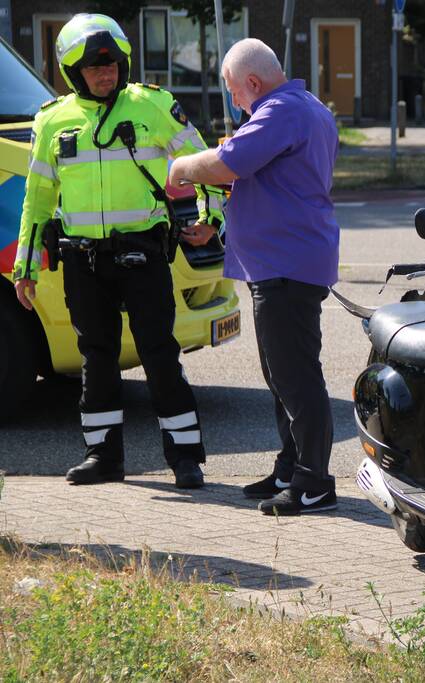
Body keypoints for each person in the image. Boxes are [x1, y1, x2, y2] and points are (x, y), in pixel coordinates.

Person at [13, 13, 225, 489]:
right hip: (83, 260)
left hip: (144, 253)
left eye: (111, 66)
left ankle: (186, 458)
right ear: (74, 73)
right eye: (93, 69)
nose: (105, 74)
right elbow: (38, 200)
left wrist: (211, 221)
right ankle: (103, 456)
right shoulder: (52, 121)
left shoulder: (154, 106)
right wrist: (24, 267)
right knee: (97, 356)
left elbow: (207, 164)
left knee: (159, 353)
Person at [170, 38, 340, 516]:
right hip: (285, 261)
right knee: (280, 371)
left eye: (232, 90)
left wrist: (181, 167)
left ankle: (315, 482)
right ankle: (291, 467)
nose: (233, 102)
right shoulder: (304, 107)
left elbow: (228, 163)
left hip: (288, 264)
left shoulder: (281, 110)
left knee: (295, 374)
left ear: (251, 82)